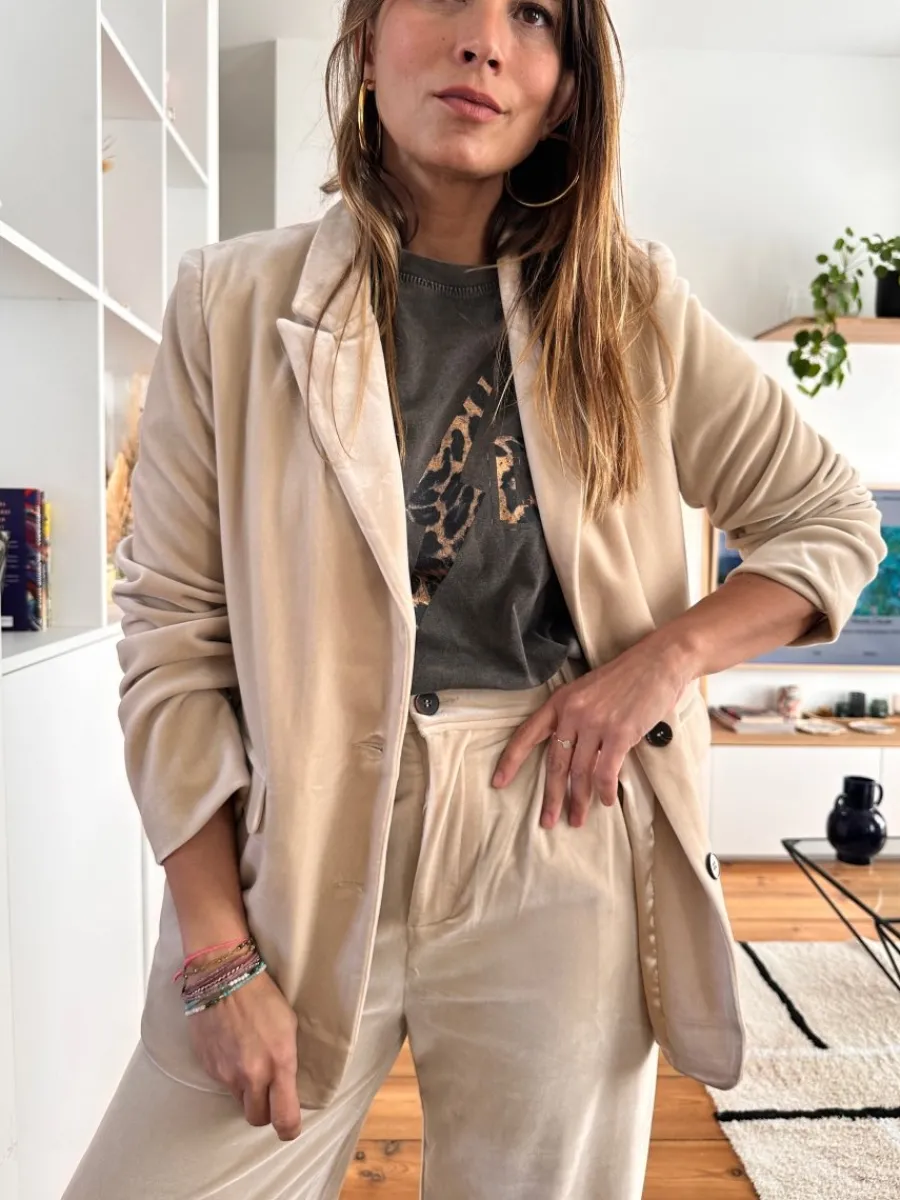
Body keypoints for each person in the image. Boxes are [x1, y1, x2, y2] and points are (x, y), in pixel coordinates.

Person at [63, 1, 887, 1197]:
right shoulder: (228, 304)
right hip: (301, 838)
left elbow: (832, 520)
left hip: (558, 827)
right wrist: (216, 955)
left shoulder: (631, 305)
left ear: (566, 88)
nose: (484, 40)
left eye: (533, 15)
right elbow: (174, 644)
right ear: (367, 37)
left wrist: (659, 665)